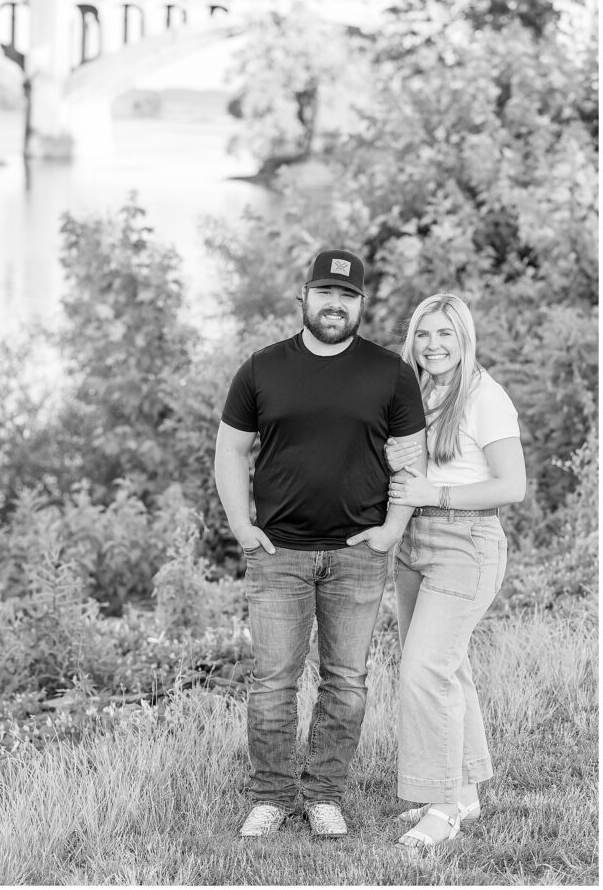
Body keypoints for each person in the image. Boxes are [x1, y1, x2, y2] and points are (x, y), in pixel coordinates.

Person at [214, 249, 426, 838]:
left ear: (361, 304)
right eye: (325, 293)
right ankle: (272, 797)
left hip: (359, 554)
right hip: (277, 554)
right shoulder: (262, 369)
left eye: (348, 296)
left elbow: (411, 460)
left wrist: (392, 529)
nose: (336, 305)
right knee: (273, 681)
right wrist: (240, 525)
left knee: (346, 681)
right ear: (303, 297)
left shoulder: (389, 373)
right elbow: (230, 450)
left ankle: (325, 794)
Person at [384, 292, 526, 851]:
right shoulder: (416, 391)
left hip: (467, 542)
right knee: (450, 668)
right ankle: (465, 790)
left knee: (424, 669)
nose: (433, 345)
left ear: (464, 339)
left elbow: (512, 486)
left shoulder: (487, 397)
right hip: (414, 542)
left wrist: (432, 492)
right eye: (423, 334)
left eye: (446, 334)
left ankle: (441, 807)